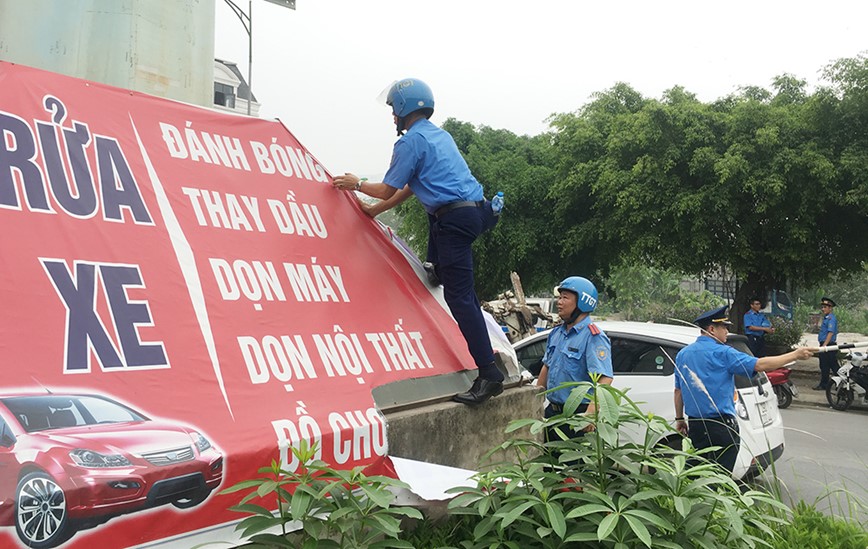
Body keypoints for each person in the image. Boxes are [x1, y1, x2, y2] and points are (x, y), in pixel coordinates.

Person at [332, 78, 502, 406]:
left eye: (394, 109)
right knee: (434, 215)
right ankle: (437, 267)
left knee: (461, 299)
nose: (393, 116)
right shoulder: (438, 136)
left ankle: (489, 374)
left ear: (404, 108)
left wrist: (357, 184)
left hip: (455, 222)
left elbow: (386, 187)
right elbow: (411, 187)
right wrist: (375, 211)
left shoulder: (410, 143)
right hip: (476, 213)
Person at [673, 305, 814, 473]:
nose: (727, 331)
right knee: (720, 477)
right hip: (721, 426)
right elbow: (760, 364)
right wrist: (795, 355)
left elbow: (678, 391)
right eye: (724, 327)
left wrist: (680, 419)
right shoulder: (724, 353)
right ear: (711, 329)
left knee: (699, 475)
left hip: (696, 425)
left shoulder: (683, 354)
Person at [536, 277, 613, 440]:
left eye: (565, 297)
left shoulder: (593, 336)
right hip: (551, 413)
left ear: (583, 302)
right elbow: (546, 367)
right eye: (559, 297)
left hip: (578, 416)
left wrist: (591, 413)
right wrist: (534, 400)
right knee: (549, 464)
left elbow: (605, 378)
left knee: (573, 464)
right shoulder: (556, 334)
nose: (559, 302)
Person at [814, 296, 839, 390]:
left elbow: (830, 332)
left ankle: (842, 383)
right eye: (822, 307)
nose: (823, 309)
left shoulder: (831, 319)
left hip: (828, 345)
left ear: (830, 308)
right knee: (824, 365)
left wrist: (824, 345)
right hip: (825, 344)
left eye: (825, 307)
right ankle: (824, 384)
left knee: (833, 365)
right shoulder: (826, 318)